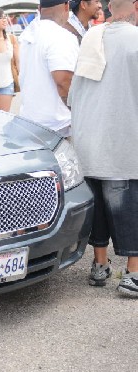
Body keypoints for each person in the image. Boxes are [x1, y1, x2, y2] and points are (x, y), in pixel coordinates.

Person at [67, 0, 138, 297]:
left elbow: (73, 95)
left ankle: (99, 267)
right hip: (121, 140)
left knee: (97, 207)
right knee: (128, 208)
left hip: (88, 140)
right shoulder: (135, 41)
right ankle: (133, 274)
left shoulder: (90, 39)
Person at [18, 0, 79, 138]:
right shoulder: (61, 36)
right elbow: (64, 82)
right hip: (57, 127)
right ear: (66, 6)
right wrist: (78, 115)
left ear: (40, 8)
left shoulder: (28, 34)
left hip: (30, 120)